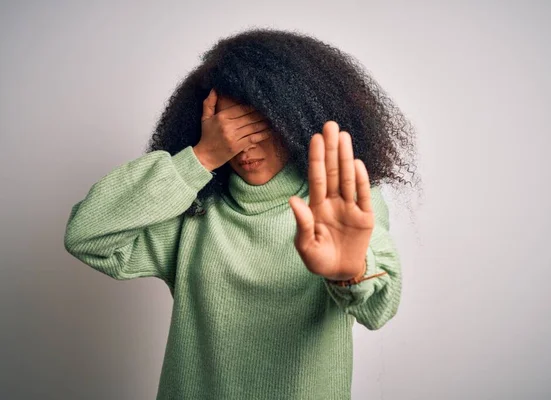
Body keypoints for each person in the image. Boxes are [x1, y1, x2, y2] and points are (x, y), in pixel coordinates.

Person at [64, 28, 418, 400]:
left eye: (258, 126)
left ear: (295, 122)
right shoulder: (192, 210)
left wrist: (351, 273)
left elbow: (379, 309)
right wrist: (199, 158)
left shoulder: (335, 203)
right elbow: (86, 235)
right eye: (227, 131)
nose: (244, 146)